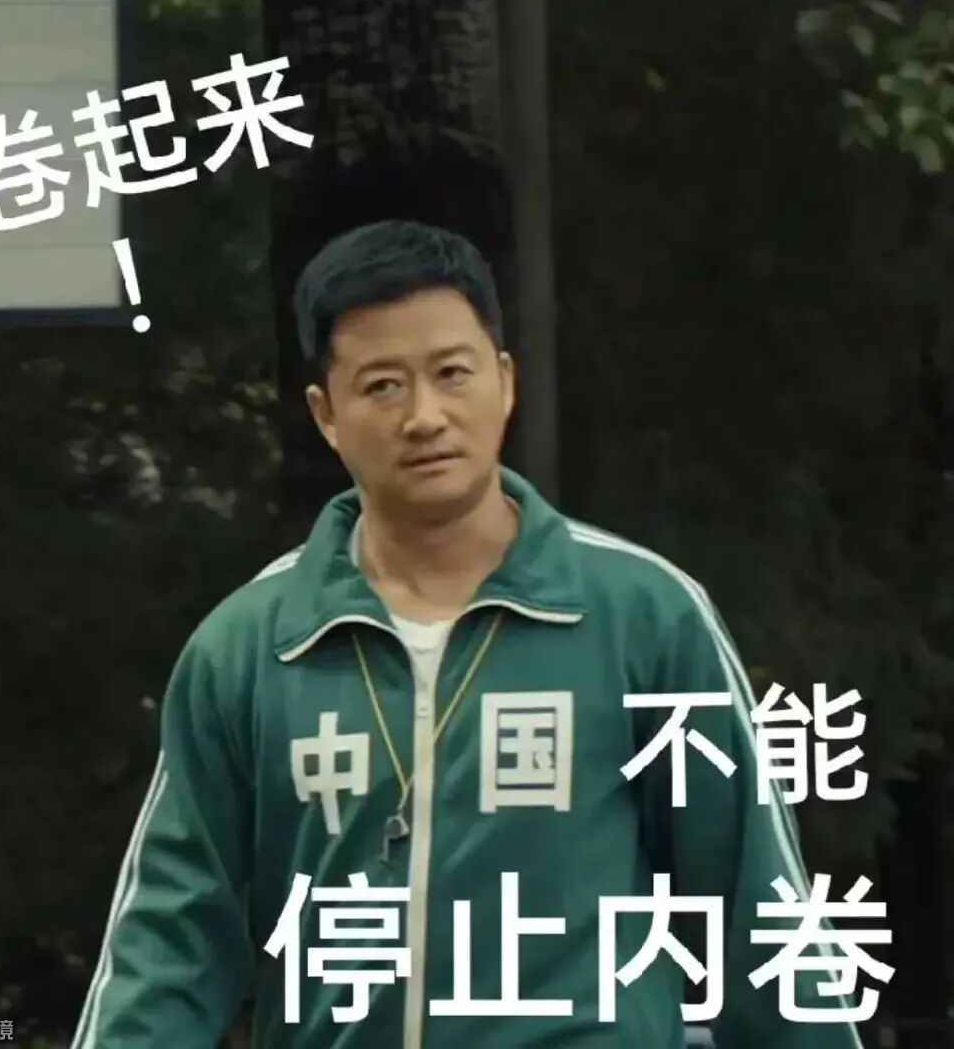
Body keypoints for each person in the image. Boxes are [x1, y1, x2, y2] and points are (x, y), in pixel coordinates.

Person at [69, 220, 867, 1048]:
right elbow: (168, 941)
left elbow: (758, 907)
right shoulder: (250, 647)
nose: (425, 417)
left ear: (505, 381)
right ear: (325, 414)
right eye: (382, 386)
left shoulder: (644, 615)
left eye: (452, 373)